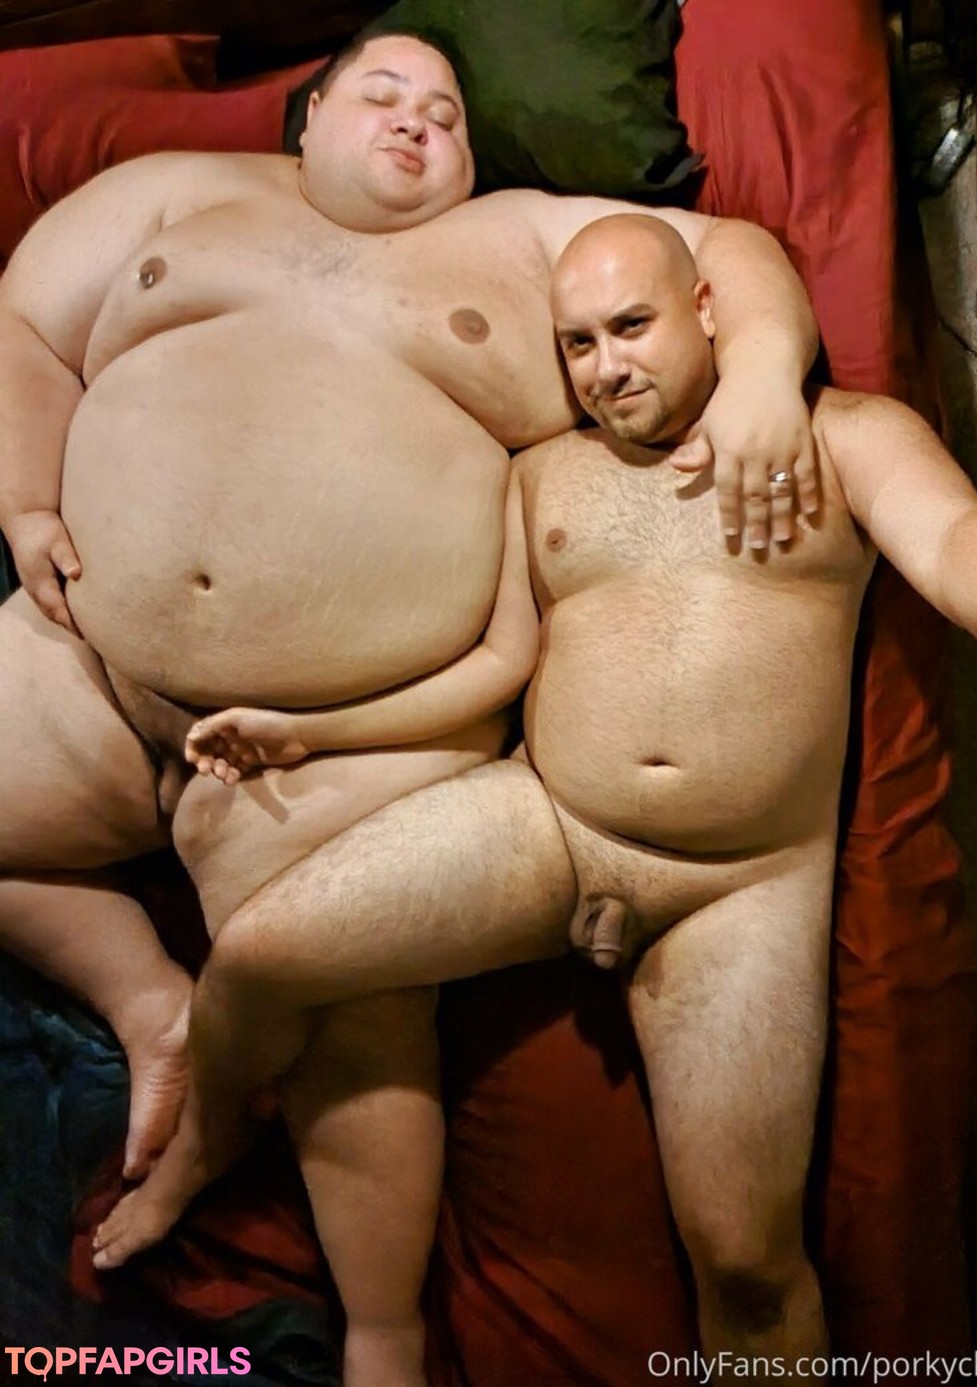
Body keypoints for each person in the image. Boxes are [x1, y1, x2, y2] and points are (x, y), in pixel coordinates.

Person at [91, 214, 977, 1375]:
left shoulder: (840, 435)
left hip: (741, 889)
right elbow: (497, 665)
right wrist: (309, 732)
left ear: (706, 310)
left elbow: (962, 547)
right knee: (255, 958)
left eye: (631, 326)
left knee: (748, 1263)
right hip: (548, 826)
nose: (607, 367)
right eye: (578, 344)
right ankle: (203, 1143)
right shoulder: (540, 472)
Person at [0, 27, 820, 1384]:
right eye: (381, 94)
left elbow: (729, 252)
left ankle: (385, 1334)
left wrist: (769, 378)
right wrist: (27, 500)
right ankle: (146, 1001)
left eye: (446, 113)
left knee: (358, 1011)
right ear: (308, 117)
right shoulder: (168, 194)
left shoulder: (523, 237)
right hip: (84, 656)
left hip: (353, 728)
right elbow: (22, 321)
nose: (416, 121)